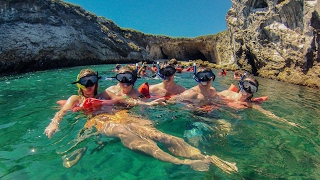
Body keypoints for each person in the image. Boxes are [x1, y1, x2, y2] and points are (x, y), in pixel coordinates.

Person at [82, 110, 238, 173]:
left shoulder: (93, 116)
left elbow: (91, 136)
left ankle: (202, 157)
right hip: (122, 122)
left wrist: (98, 143)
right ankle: (191, 160)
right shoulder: (95, 118)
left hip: (125, 121)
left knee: (160, 136)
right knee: (137, 136)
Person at [44, 69, 116, 138]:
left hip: (110, 120)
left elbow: (123, 99)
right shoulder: (76, 99)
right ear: (79, 84)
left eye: (92, 80)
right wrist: (53, 124)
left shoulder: (104, 95)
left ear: (96, 82)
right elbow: (62, 112)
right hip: (90, 124)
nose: (89, 84)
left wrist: (102, 102)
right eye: (84, 81)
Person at [218, 73, 302, 127]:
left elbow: (268, 114)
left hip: (233, 122)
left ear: (253, 93)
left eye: (252, 89)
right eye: (246, 86)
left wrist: (288, 122)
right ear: (241, 84)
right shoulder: (227, 93)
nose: (248, 91)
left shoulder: (249, 104)